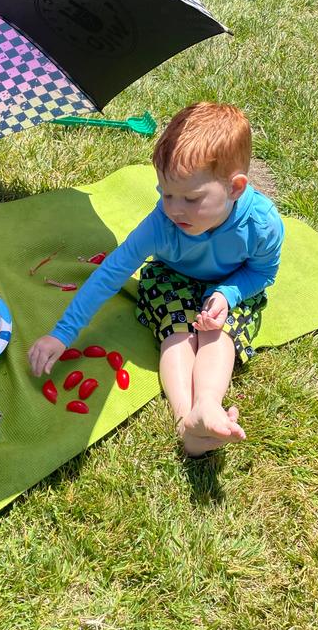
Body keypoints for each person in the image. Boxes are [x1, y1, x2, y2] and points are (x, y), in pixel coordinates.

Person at [28, 102, 284, 456]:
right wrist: (62, 333)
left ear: (236, 188)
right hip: (171, 277)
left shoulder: (262, 224)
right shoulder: (161, 223)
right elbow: (112, 272)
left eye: (191, 198)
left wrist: (226, 295)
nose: (175, 209)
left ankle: (208, 403)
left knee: (218, 334)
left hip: (233, 285)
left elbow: (263, 271)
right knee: (175, 331)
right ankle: (186, 421)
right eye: (166, 194)